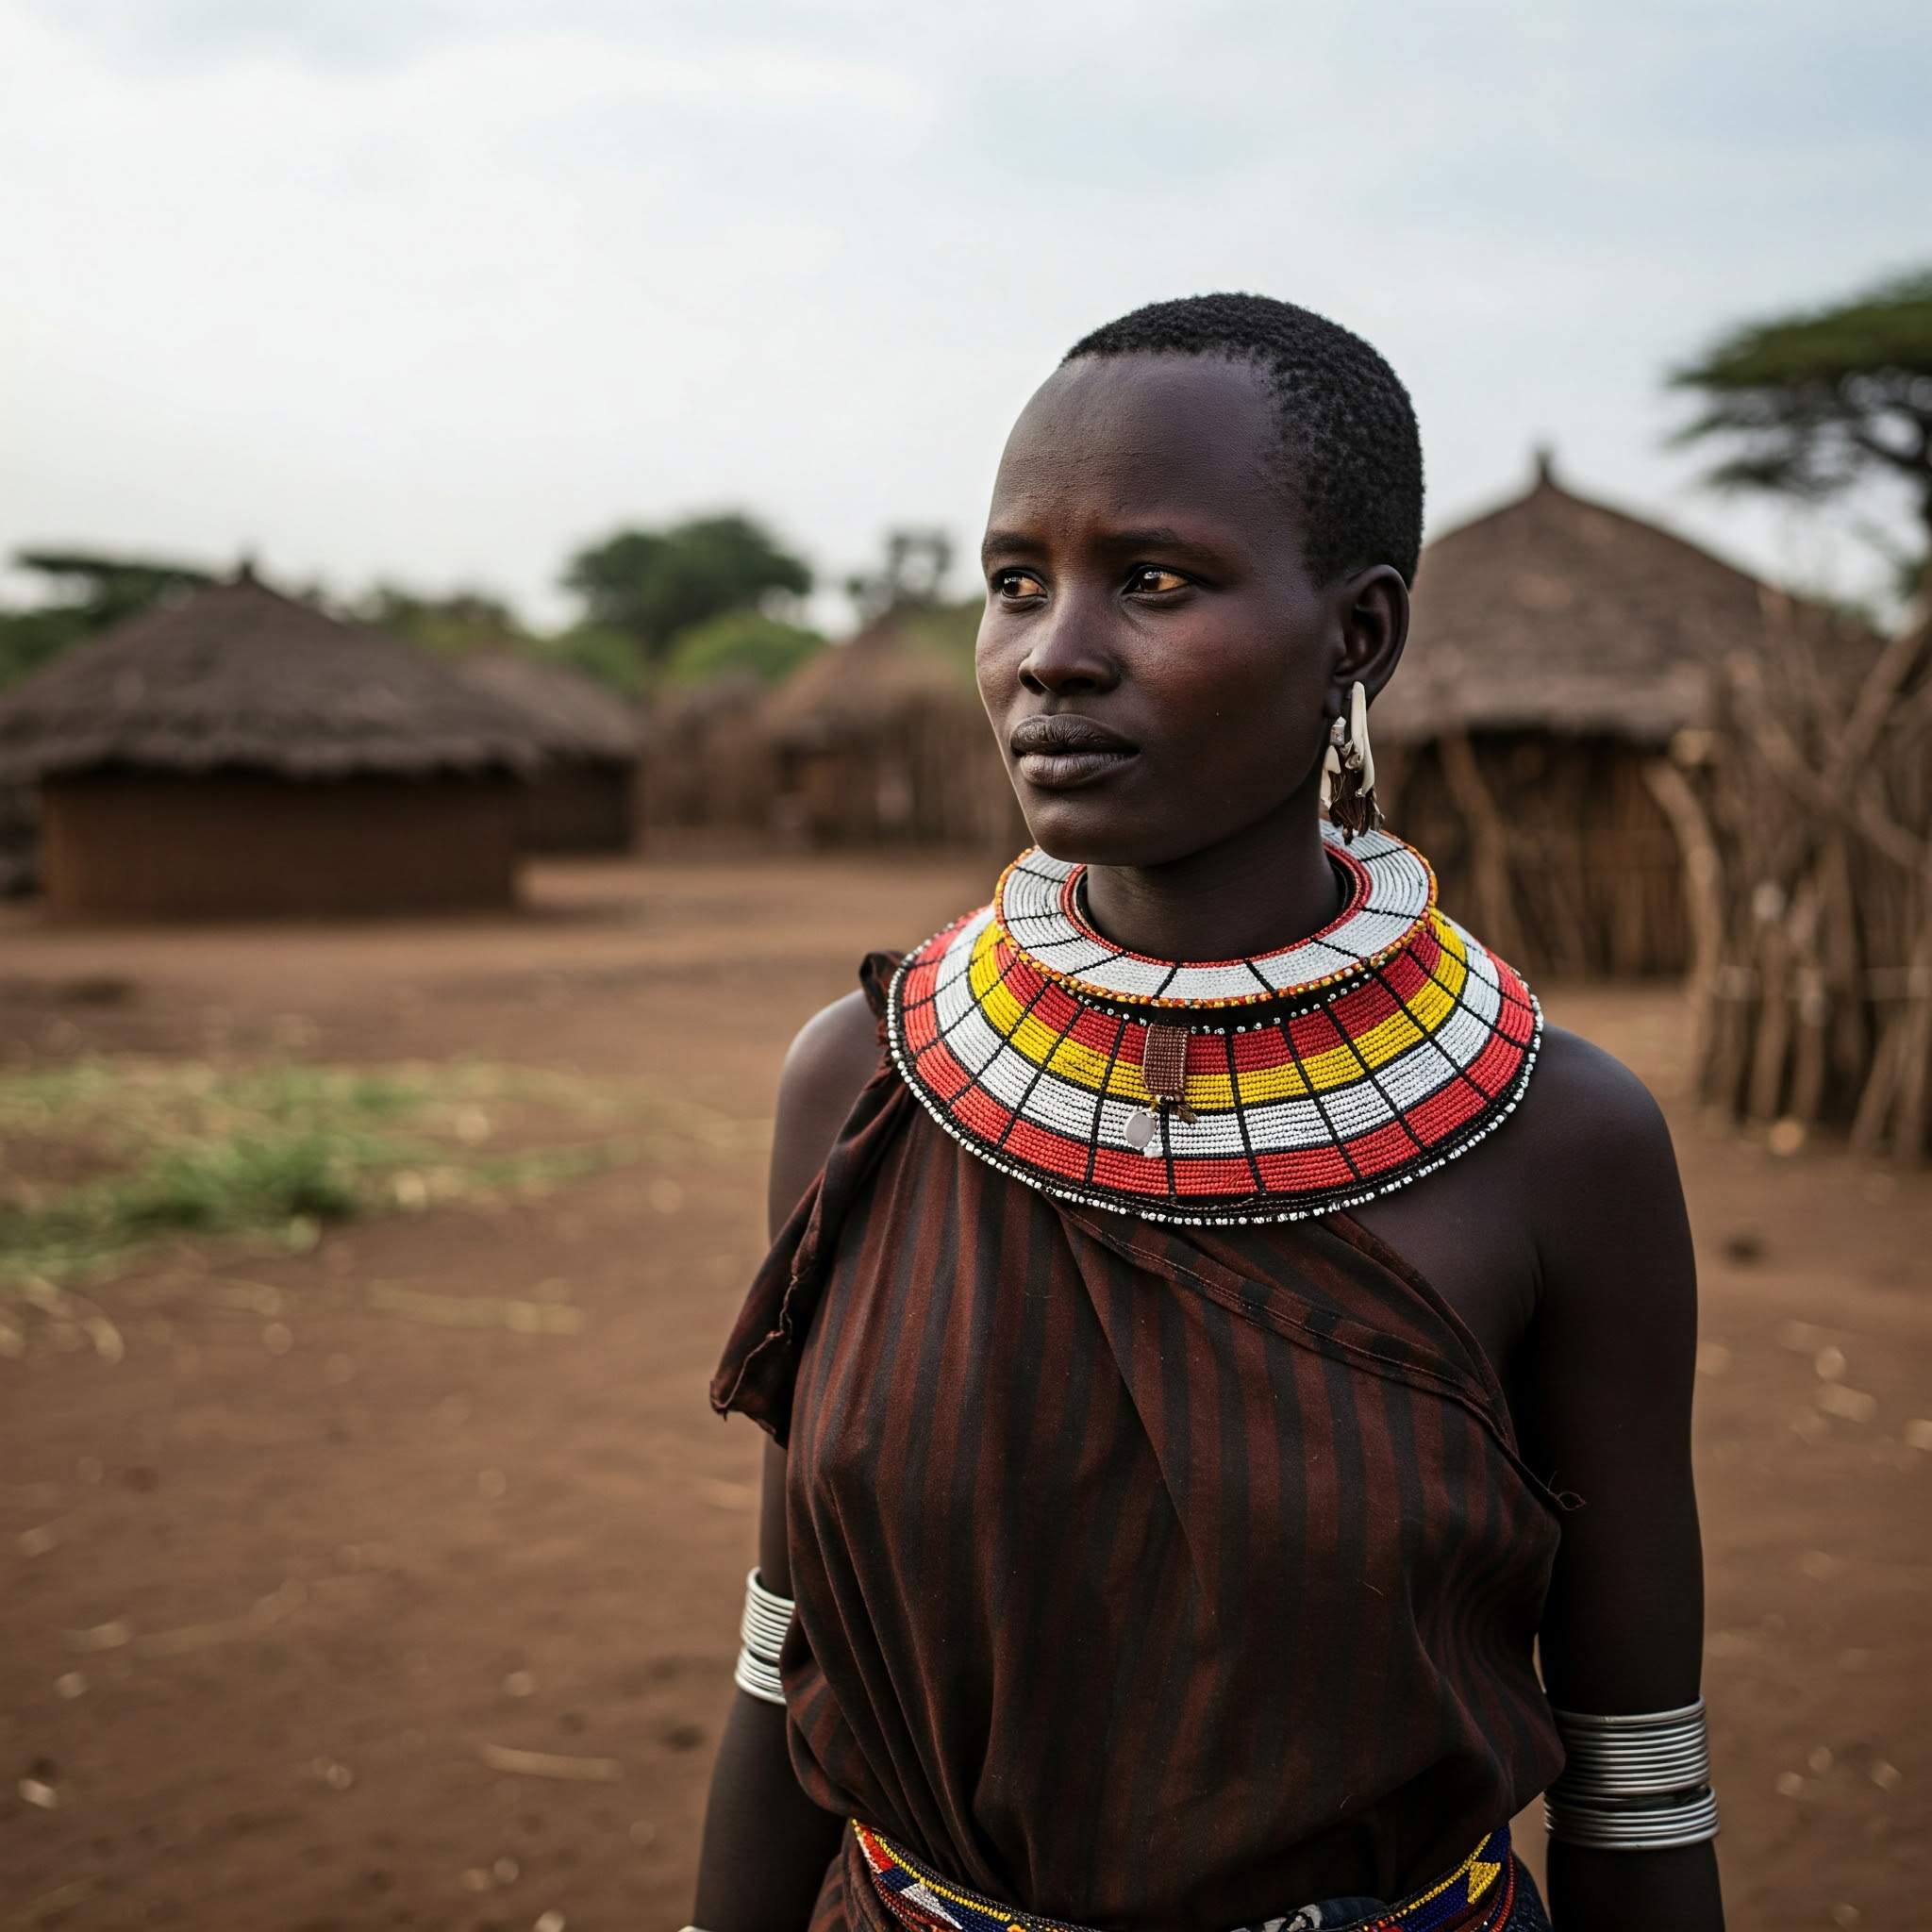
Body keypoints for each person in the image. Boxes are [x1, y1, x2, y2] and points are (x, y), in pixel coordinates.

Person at [691, 294, 1724, 1932]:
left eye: (1154, 581)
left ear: (1359, 636)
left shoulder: (1558, 1143)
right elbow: (791, 1641)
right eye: (1016, 582)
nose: (1053, 651)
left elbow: (1639, 1769)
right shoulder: (864, 1081)